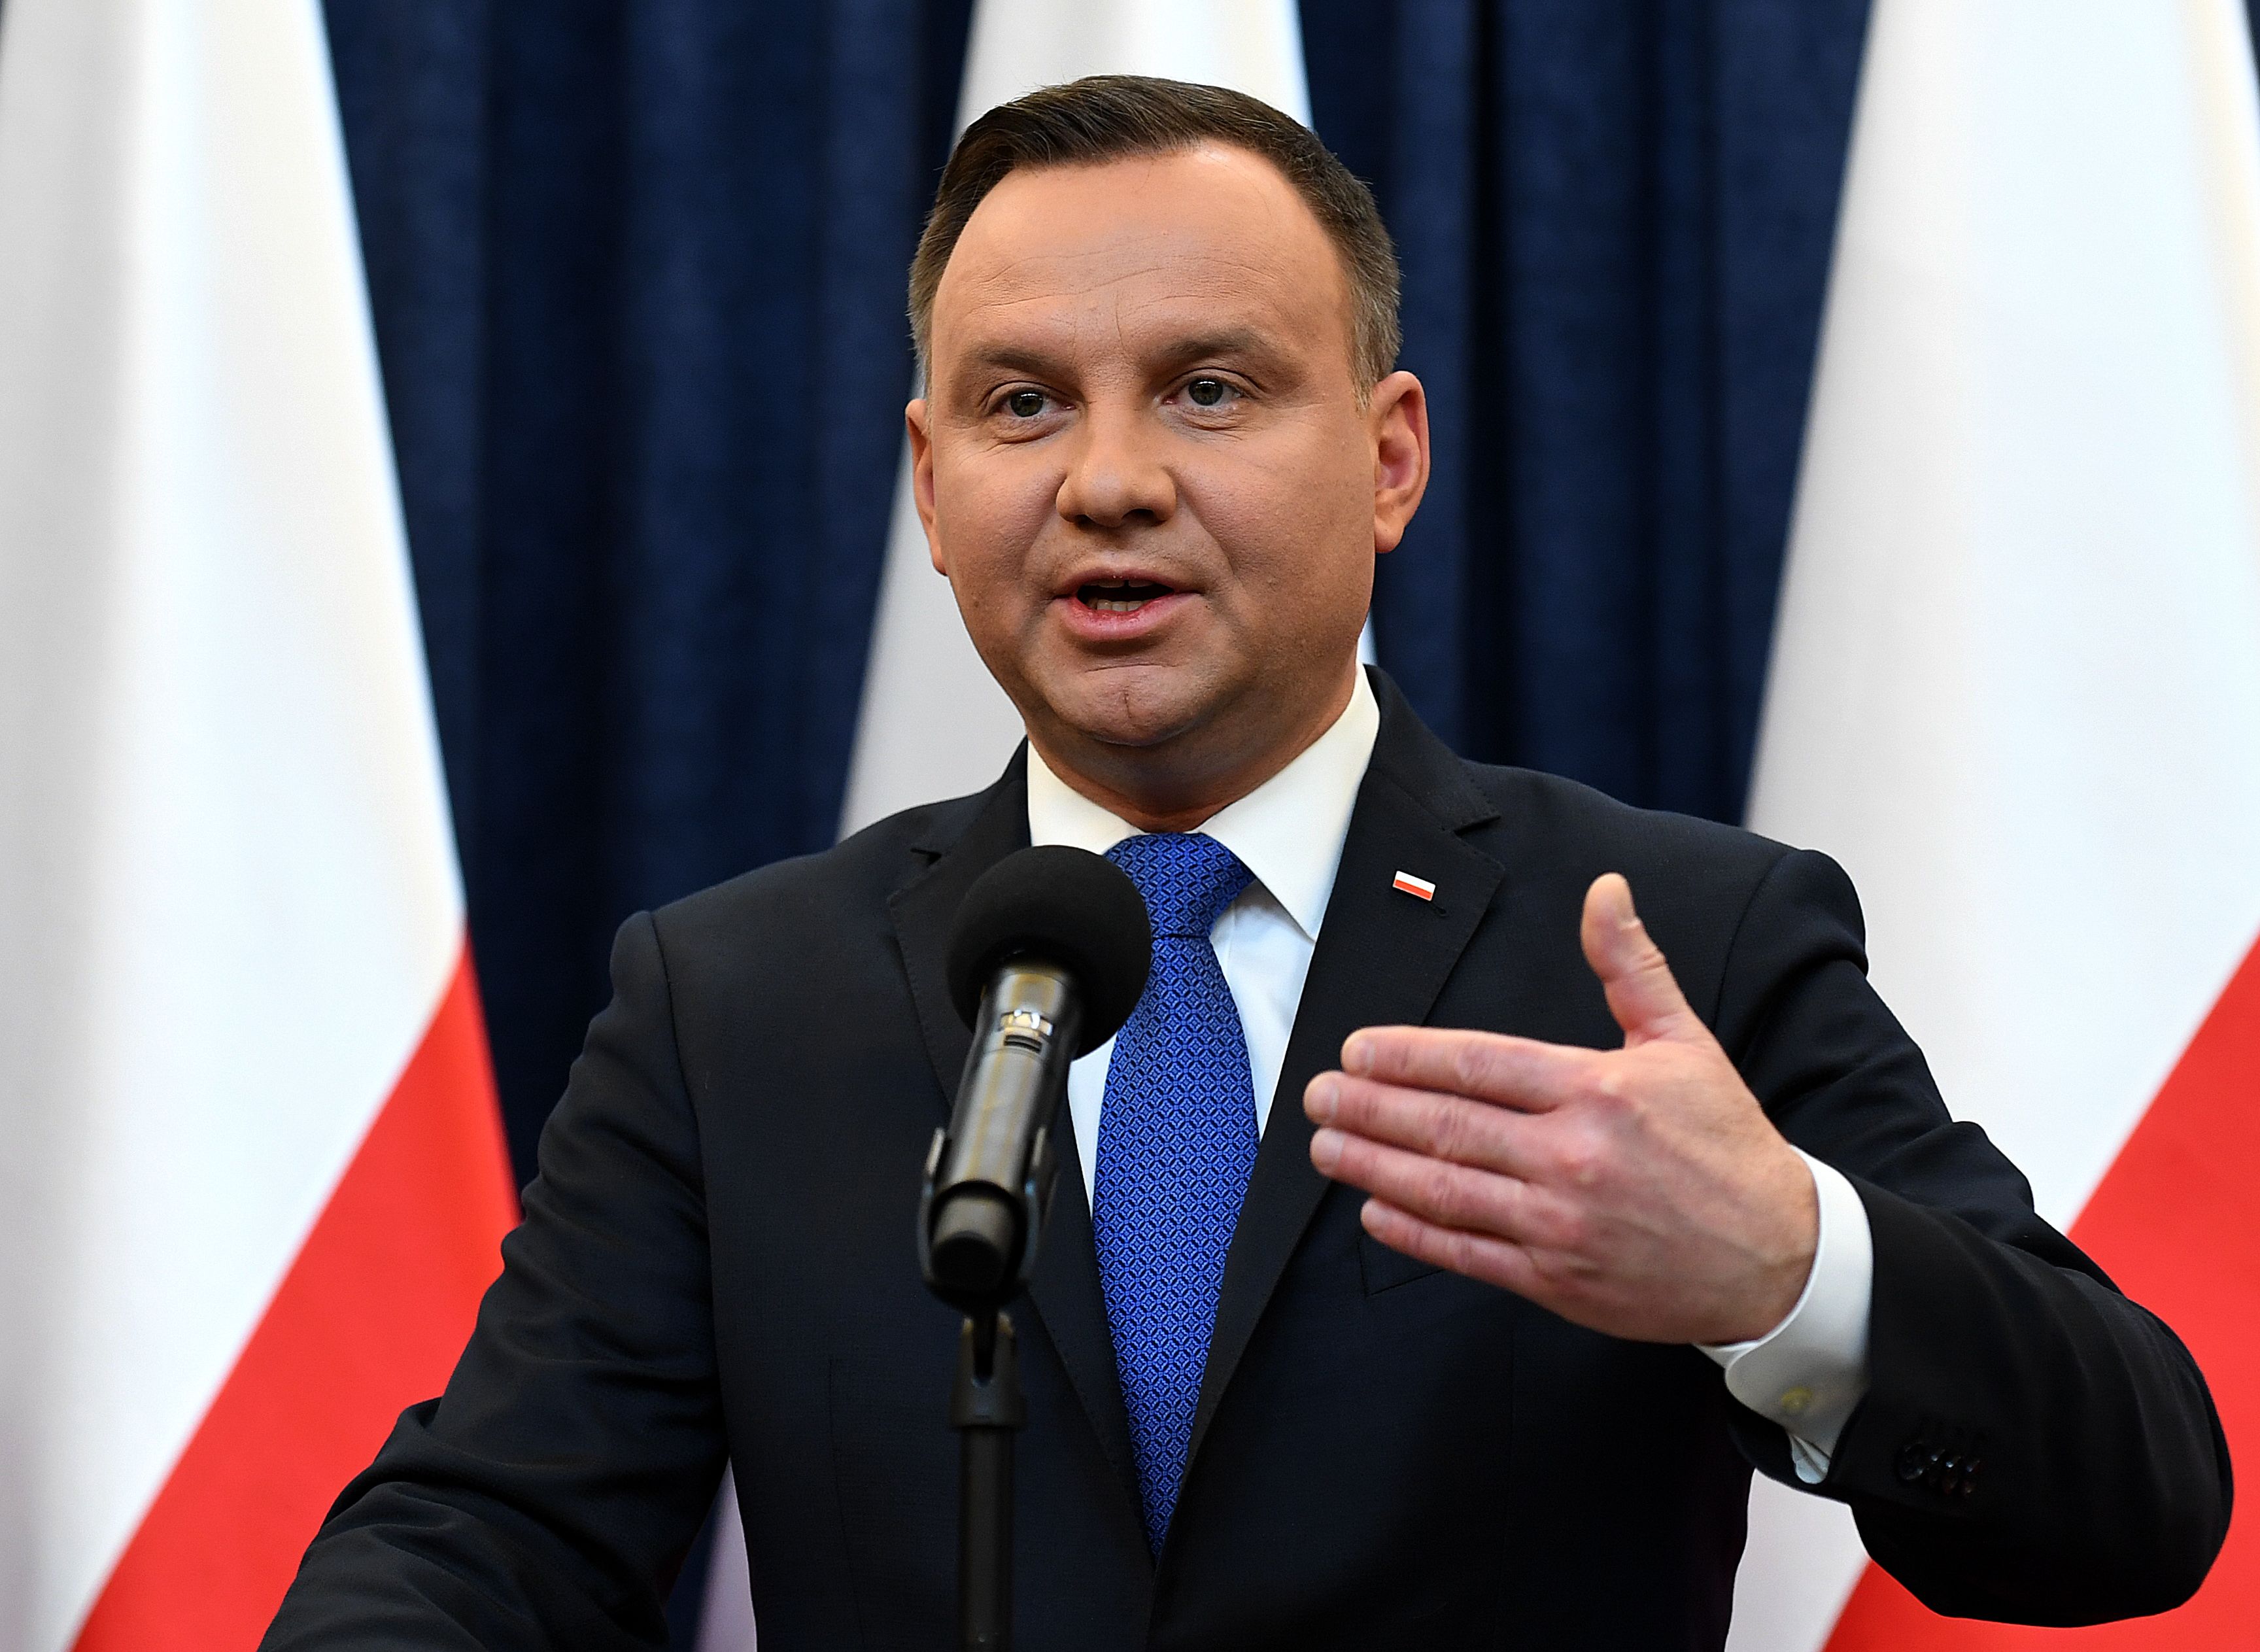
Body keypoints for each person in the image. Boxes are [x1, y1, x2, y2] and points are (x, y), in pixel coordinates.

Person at [263, 76, 2229, 1651]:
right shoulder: (737, 1000)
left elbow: (2137, 1496)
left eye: (1209, 388)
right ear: (934, 491)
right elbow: (492, 1537)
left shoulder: (1673, 944)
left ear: (1389, 458)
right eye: (1026, 404)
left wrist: (1789, 1269)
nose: (1108, 478)